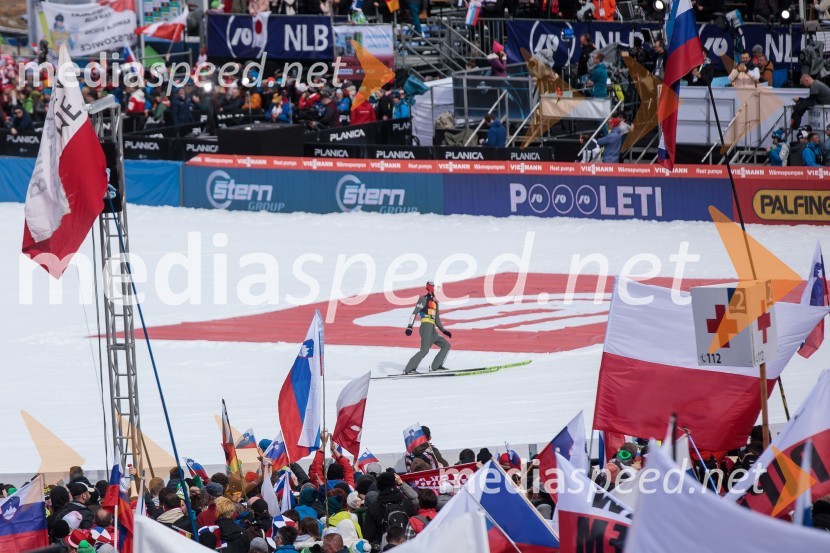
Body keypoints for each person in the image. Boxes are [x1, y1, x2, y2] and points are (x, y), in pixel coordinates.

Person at [403, 281, 452, 374]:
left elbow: (437, 320)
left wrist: (444, 331)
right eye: (436, 288)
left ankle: (436, 366)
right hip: (426, 327)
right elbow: (415, 312)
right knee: (424, 350)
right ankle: (409, 369)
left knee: (446, 345)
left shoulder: (435, 303)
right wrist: (409, 327)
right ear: (431, 288)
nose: (438, 291)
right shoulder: (423, 299)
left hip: (433, 329)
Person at [363, 471, 418, 547]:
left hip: (383, 547)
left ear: (378, 486)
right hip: (405, 547)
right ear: (394, 483)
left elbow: (368, 536)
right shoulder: (406, 502)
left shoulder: (374, 507)